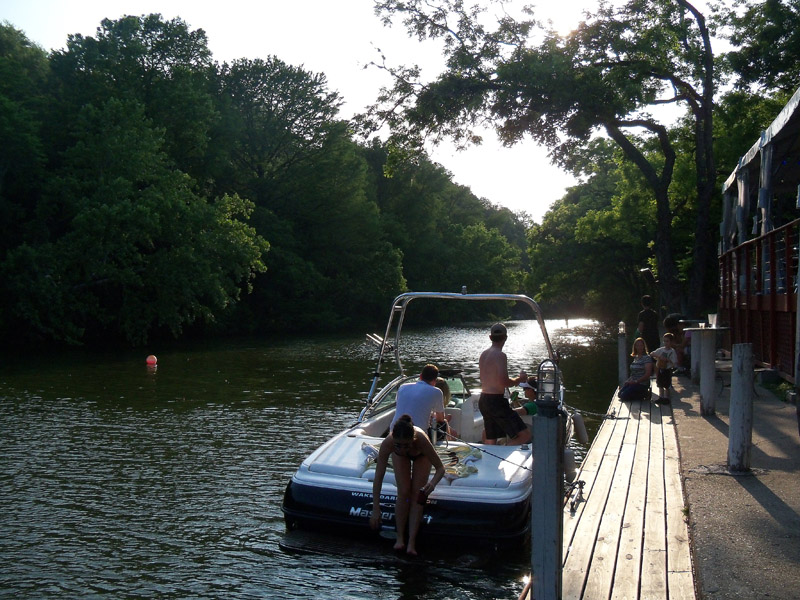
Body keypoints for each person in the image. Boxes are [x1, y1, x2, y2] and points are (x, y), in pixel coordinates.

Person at [369, 415, 446, 556]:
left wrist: (432, 484)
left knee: (418, 493)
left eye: (406, 445)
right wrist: (376, 508)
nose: (403, 449)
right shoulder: (389, 444)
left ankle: (411, 542)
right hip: (399, 458)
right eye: (398, 445)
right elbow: (378, 476)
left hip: (421, 455)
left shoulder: (421, 440)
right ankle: (400, 538)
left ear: (413, 440)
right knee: (404, 492)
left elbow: (440, 468)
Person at [478, 323, 531, 445]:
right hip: (496, 402)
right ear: (505, 337)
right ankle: (502, 454)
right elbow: (503, 382)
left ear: (490, 337)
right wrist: (520, 379)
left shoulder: (484, 354)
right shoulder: (500, 355)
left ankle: (489, 461)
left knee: (491, 438)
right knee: (524, 435)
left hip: (484, 400)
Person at [390, 364, 446, 438]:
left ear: (420, 376)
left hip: (394, 431)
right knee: (444, 423)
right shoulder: (436, 391)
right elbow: (440, 419)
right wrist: (433, 416)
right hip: (417, 434)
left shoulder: (403, 387)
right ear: (435, 381)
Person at [619, 337, 654, 401]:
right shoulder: (636, 357)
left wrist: (636, 381)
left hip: (642, 383)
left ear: (644, 346)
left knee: (624, 396)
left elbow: (648, 374)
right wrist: (629, 380)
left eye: (641, 345)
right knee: (619, 394)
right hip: (633, 382)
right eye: (637, 345)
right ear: (635, 347)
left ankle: (645, 393)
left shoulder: (647, 358)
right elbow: (633, 373)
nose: (639, 347)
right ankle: (637, 393)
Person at [650, 332, 677, 403]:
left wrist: (667, 360)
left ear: (671, 342)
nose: (666, 343)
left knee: (667, 384)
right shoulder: (661, 350)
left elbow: (674, 362)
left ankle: (666, 398)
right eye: (664, 341)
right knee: (660, 383)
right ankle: (661, 397)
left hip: (667, 369)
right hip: (660, 369)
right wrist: (659, 357)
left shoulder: (672, 351)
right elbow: (652, 353)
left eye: (667, 341)